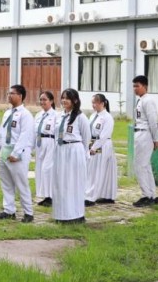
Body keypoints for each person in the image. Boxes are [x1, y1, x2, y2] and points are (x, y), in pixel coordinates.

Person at [0, 84, 35, 222]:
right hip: (5, 152)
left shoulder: (25, 115)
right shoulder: (7, 113)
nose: (9, 96)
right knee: (6, 183)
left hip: (18, 155)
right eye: (8, 93)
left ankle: (28, 213)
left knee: (21, 184)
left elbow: (25, 136)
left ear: (20, 96)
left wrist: (16, 153)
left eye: (12, 93)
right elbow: (1, 133)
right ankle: (9, 210)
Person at [52, 88, 91, 224]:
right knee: (60, 182)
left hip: (74, 151)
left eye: (67, 98)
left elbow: (86, 139)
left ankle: (76, 214)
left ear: (75, 100)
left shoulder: (81, 117)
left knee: (73, 183)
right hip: (60, 151)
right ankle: (61, 214)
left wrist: (82, 154)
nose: (64, 101)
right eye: (62, 98)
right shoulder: (59, 116)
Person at [131, 75, 158, 207]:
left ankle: (146, 195)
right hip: (140, 133)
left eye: (137, 86)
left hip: (145, 134)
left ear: (145, 87)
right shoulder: (141, 100)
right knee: (146, 166)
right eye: (134, 86)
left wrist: (155, 138)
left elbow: (153, 121)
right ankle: (152, 195)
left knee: (139, 166)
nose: (135, 89)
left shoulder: (148, 100)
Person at [85, 93, 117, 205]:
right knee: (91, 170)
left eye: (95, 103)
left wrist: (94, 147)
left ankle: (91, 196)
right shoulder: (93, 116)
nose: (93, 105)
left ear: (102, 103)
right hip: (93, 143)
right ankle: (101, 194)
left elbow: (104, 135)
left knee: (98, 170)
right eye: (92, 103)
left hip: (102, 145)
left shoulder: (107, 117)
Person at [33, 91, 57, 208]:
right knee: (39, 169)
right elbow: (33, 131)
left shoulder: (56, 115)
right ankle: (45, 195)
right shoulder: (38, 115)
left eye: (45, 100)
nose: (42, 102)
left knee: (47, 169)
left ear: (51, 101)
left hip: (50, 142)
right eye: (41, 99)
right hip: (39, 143)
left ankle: (51, 196)